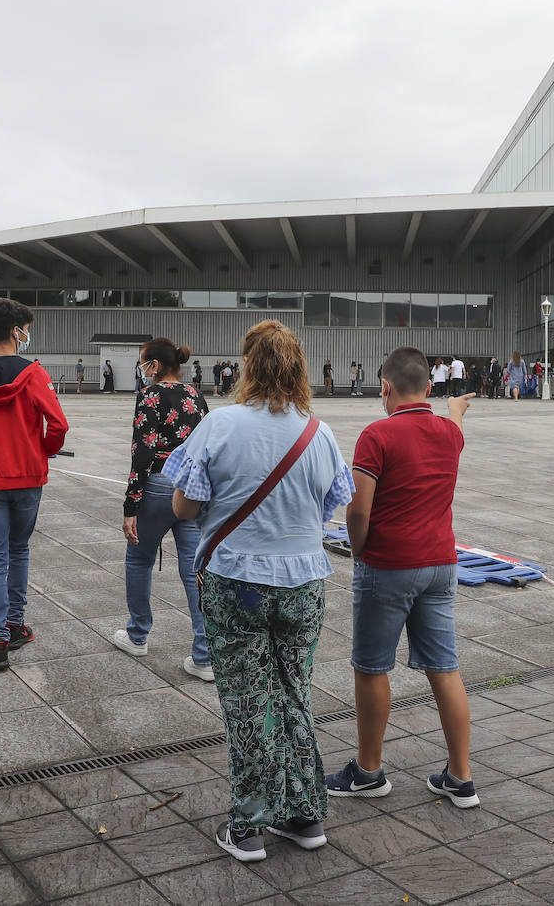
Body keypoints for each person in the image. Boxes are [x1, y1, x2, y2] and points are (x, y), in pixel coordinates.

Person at [165, 319, 354, 863]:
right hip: (304, 583)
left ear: (248, 367)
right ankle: (304, 815)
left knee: (249, 702)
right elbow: (326, 508)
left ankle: (247, 825)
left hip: (236, 580)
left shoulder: (220, 425)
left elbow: (185, 506)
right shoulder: (319, 433)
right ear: (298, 368)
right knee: (295, 691)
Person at [325, 346, 479, 807]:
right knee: (444, 667)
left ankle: (369, 771)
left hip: (388, 565)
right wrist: (454, 410)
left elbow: (358, 511)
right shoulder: (450, 435)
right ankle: (460, 775)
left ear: (385, 387)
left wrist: (359, 550)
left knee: (372, 667)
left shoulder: (377, 436)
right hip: (441, 565)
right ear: (429, 387)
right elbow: (452, 425)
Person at [0, 298, 68, 671]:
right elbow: (59, 425)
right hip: (27, 477)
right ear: (17, 330)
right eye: (27, 328)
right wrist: (43, 450)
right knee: (19, 551)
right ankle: (16, 624)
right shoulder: (35, 374)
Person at [116, 337, 212, 679]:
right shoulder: (195, 396)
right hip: (190, 488)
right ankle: (204, 655)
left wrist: (131, 503)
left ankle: (138, 634)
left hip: (157, 485)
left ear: (154, 366)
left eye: (143, 363)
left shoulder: (150, 396)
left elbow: (142, 451)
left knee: (139, 559)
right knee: (193, 569)